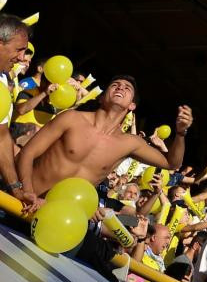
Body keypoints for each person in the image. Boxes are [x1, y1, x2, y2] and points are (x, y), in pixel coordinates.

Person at [13, 76, 190, 209]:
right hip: (23, 203)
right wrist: (27, 192)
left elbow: (171, 163)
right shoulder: (72, 118)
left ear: (132, 106)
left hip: (62, 217)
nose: (121, 87)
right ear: (101, 97)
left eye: (127, 88)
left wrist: (181, 133)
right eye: (115, 85)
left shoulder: (130, 143)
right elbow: (28, 152)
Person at [0, 14, 31, 189]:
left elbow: (1, 136)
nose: (21, 57)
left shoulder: (3, 79)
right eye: (19, 49)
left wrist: (16, 188)